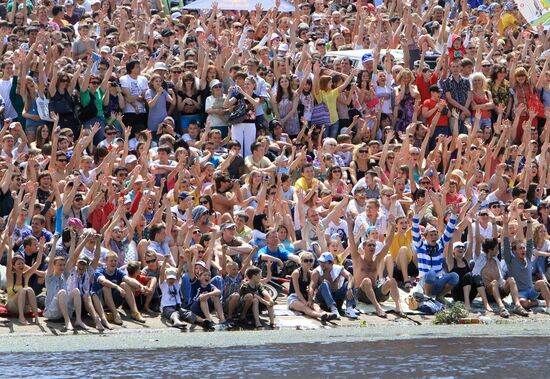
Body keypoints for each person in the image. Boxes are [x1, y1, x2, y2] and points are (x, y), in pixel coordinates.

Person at [91, 251, 146, 325]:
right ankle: (115, 314)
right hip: (101, 301)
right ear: (106, 262)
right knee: (106, 287)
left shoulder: (118, 271)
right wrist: (117, 286)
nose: (113, 262)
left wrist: (140, 286)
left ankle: (135, 313)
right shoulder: (99, 271)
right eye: (111, 261)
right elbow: (103, 281)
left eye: (115, 261)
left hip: (114, 301)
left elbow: (128, 279)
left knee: (125, 284)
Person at [311, 252, 355, 320]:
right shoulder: (316, 272)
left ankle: (349, 308)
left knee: (349, 284)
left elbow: (350, 276)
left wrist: (349, 289)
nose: (321, 264)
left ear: (330, 263)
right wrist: (310, 300)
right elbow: (311, 287)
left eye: (324, 262)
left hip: (336, 297)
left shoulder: (338, 268)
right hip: (322, 300)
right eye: (320, 261)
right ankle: (334, 309)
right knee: (325, 283)